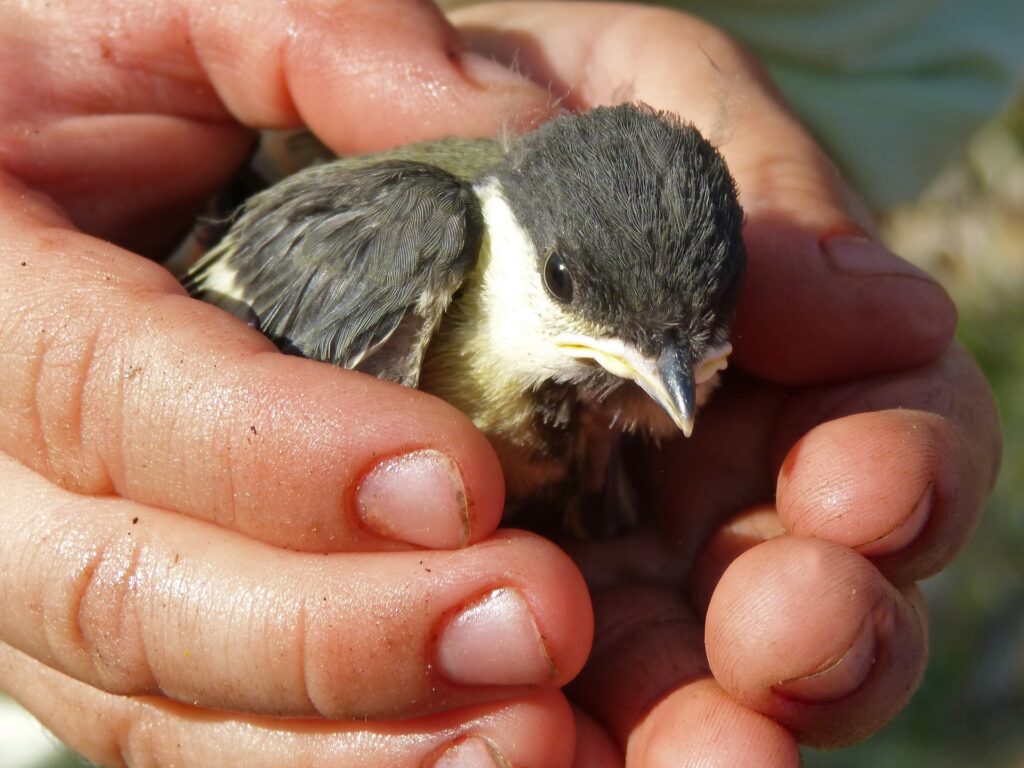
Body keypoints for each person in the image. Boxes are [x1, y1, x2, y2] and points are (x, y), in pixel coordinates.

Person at [0, 1, 1001, 765]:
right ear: (528, 243)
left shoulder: (649, 363)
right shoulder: (417, 241)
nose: (660, 381)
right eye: (570, 293)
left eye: (681, 350)